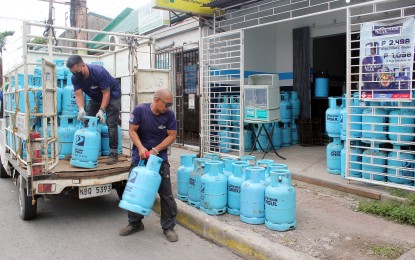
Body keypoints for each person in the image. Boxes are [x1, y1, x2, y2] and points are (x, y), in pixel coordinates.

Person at [119, 89, 178, 242]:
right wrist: (140, 147)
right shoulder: (140, 110)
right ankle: (135, 223)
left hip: (159, 158)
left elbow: (172, 135)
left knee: (166, 194)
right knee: (135, 191)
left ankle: (168, 227)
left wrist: (156, 150)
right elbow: (132, 131)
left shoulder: (169, 115)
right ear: (157, 100)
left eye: (171, 104)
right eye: (167, 103)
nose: (169, 107)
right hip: (140, 158)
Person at [66, 55, 121, 165]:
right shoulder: (75, 78)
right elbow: (78, 95)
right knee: (87, 121)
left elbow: (106, 93)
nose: (75, 74)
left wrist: (101, 110)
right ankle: (85, 150)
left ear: (83, 65)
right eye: (73, 72)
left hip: (112, 94)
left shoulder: (98, 72)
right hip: (96, 97)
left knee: (111, 123)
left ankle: (113, 153)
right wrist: (81, 108)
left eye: (77, 71)